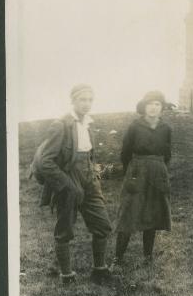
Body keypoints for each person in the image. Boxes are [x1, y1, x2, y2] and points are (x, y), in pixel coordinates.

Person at [31, 84, 112, 284]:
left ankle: (99, 269)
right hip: (69, 178)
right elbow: (46, 161)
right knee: (65, 228)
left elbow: (90, 156)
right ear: (73, 101)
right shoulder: (61, 125)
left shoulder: (89, 124)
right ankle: (67, 275)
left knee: (103, 225)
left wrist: (96, 178)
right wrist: (67, 184)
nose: (87, 104)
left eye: (90, 100)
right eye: (82, 100)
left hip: (89, 179)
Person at [112, 91, 172, 270]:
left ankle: (148, 256)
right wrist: (130, 173)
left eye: (157, 104)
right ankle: (118, 258)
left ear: (162, 108)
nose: (153, 108)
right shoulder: (134, 126)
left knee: (152, 213)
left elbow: (167, 154)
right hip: (137, 171)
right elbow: (125, 153)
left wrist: (161, 171)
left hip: (157, 171)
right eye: (150, 104)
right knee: (128, 213)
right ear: (144, 107)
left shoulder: (166, 128)